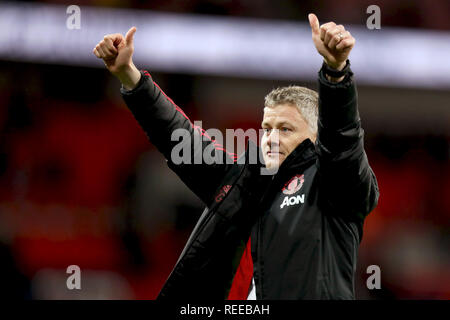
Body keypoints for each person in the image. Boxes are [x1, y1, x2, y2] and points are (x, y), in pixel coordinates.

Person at [93, 13, 379, 300]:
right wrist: (128, 75)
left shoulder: (334, 184)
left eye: (285, 128)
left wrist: (335, 72)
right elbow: (179, 137)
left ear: (318, 137)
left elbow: (343, 140)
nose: (271, 138)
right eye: (267, 128)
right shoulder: (246, 180)